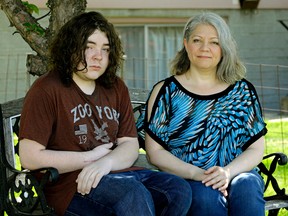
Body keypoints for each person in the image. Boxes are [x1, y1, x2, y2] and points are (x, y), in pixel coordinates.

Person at [19, 11, 192, 216]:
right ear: (70, 47)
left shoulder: (115, 87)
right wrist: (89, 158)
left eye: (105, 49)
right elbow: (30, 157)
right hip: (70, 185)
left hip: (115, 173)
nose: (98, 56)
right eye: (88, 47)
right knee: (132, 194)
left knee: (178, 190)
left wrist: (105, 163)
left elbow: (129, 144)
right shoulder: (47, 89)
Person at [138, 12, 267, 216]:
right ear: (186, 44)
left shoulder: (242, 91)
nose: (205, 48)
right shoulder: (166, 91)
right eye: (197, 40)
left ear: (223, 48)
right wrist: (198, 174)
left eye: (214, 42)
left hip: (235, 172)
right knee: (205, 197)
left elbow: (256, 148)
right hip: (187, 177)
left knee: (248, 187)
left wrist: (226, 173)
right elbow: (155, 152)